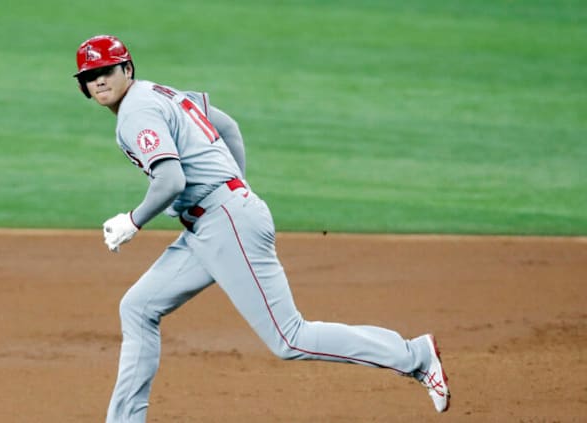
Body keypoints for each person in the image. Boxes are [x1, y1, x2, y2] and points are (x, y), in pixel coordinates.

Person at [73, 34, 450, 422]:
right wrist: (235, 188)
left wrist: (133, 221)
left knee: (290, 337)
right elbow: (229, 127)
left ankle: (414, 355)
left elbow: (170, 180)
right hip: (213, 224)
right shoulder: (162, 93)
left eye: (106, 70)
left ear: (127, 69)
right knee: (138, 308)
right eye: (90, 76)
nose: (99, 81)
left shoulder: (136, 112)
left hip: (224, 222)